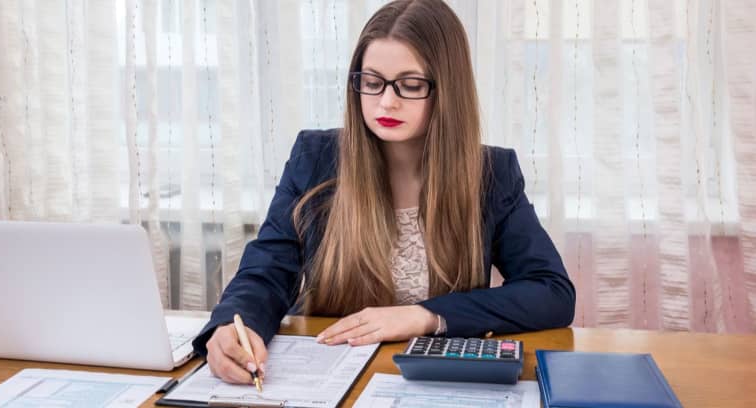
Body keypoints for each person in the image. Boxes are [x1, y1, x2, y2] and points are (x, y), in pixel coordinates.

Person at [192, 0, 575, 385]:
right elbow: (266, 269)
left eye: (410, 85)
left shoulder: (492, 174)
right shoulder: (316, 158)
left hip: (436, 380)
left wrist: (424, 316)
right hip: (332, 373)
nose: (386, 102)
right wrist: (232, 326)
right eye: (372, 83)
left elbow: (552, 292)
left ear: (447, 91)